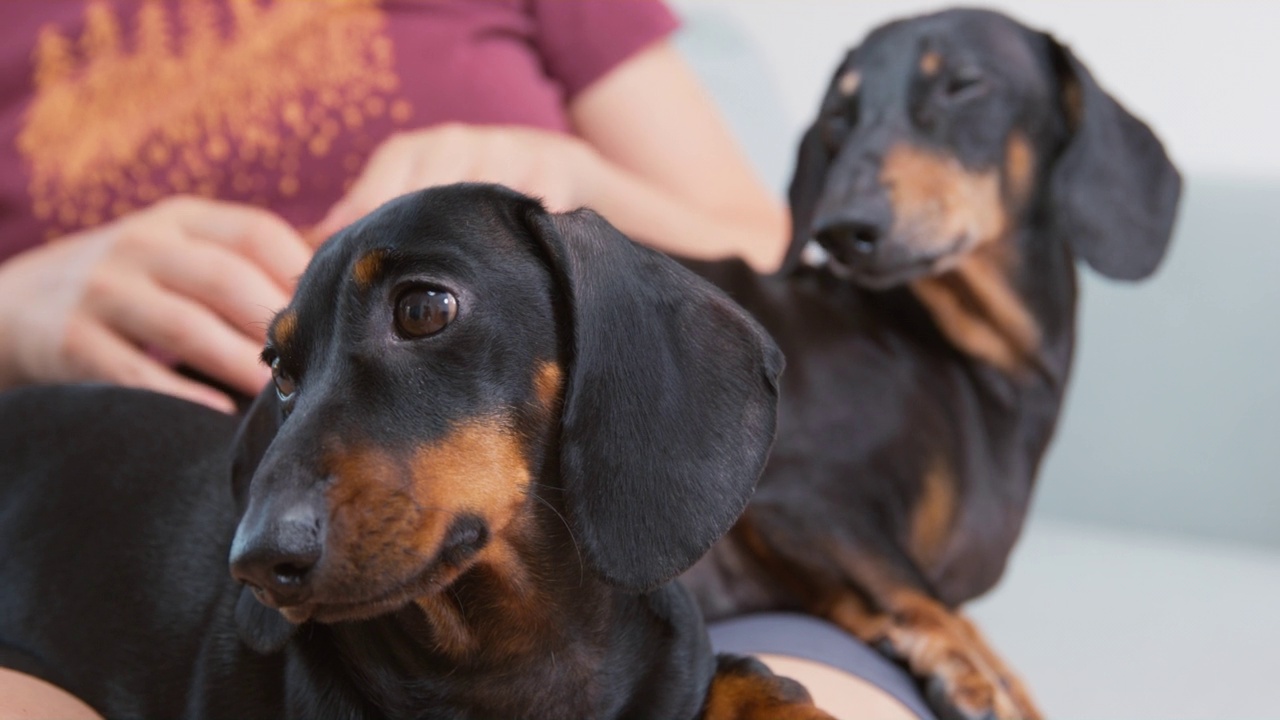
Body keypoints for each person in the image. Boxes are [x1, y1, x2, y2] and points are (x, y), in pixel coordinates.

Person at [0, 2, 924, 717]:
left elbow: (777, 268)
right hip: (182, 568)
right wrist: (13, 303)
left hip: (656, 547)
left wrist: (568, 174)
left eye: (424, 309)